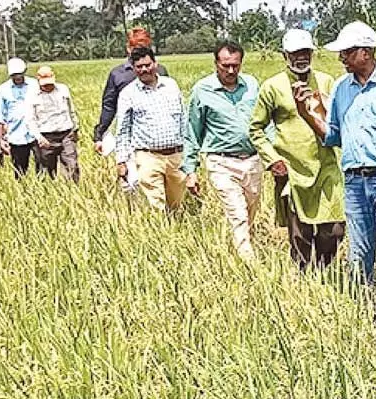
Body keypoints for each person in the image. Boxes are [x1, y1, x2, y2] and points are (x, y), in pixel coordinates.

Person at [293, 20, 376, 314]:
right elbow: (333, 136)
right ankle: (363, 317)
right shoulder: (342, 88)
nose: (341, 58)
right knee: (358, 257)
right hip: (355, 183)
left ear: (366, 52)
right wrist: (306, 114)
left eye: (347, 52)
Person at [248, 29, 346, 269]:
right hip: (292, 171)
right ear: (285, 55)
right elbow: (256, 129)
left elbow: (337, 121)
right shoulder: (272, 87)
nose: (301, 58)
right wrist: (273, 160)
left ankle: (324, 270)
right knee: (300, 234)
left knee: (333, 228)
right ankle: (305, 278)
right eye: (295, 53)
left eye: (305, 52)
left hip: (326, 166)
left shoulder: (326, 82)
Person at [183, 40, 262, 259]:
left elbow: (265, 123)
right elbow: (192, 131)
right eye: (225, 65)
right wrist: (190, 171)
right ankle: (249, 264)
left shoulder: (252, 86)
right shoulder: (202, 90)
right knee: (237, 214)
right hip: (221, 162)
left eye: (235, 65)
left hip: (253, 160)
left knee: (249, 212)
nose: (230, 70)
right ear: (215, 63)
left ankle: (244, 248)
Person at [115, 47, 187, 212]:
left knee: (176, 202)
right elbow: (123, 130)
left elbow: (184, 118)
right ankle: (159, 232)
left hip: (175, 155)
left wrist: (189, 152)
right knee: (155, 204)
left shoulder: (171, 85)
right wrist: (121, 160)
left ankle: (175, 230)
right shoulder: (128, 93)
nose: (144, 69)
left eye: (147, 65)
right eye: (139, 67)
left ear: (155, 63)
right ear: (133, 68)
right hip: (148, 156)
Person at [94, 26, 169, 183]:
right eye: (136, 48)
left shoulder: (160, 71)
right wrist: (99, 135)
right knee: (130, 180)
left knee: (155, 177)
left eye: (144, 48)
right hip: (128, 134)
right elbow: (109, 106)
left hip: (155, 135)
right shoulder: (118, 74)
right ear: (129, 48)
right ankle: (132, 207)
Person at [26, 65, 80, 182]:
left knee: (72, 166)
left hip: (66, 134)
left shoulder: (63, 89)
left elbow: (71, 110)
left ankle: (72, 192)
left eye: (50, 83)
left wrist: (75, 129)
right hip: (46, 137)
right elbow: (30, 120)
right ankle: (48, 194)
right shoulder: (32, 95)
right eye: (45, 84)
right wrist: (39, 138)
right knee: (46, 171)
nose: (48, 86)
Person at [0, 57, 40, 178]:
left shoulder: (34, 84)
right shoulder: (3, 89)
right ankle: (22, 192)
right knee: (20, 170)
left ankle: (44, 191)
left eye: (20, 74)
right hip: (16, 135)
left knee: (42, 167)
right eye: (15, 75)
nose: (18, 77)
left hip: (37, 132)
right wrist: (0, 140)